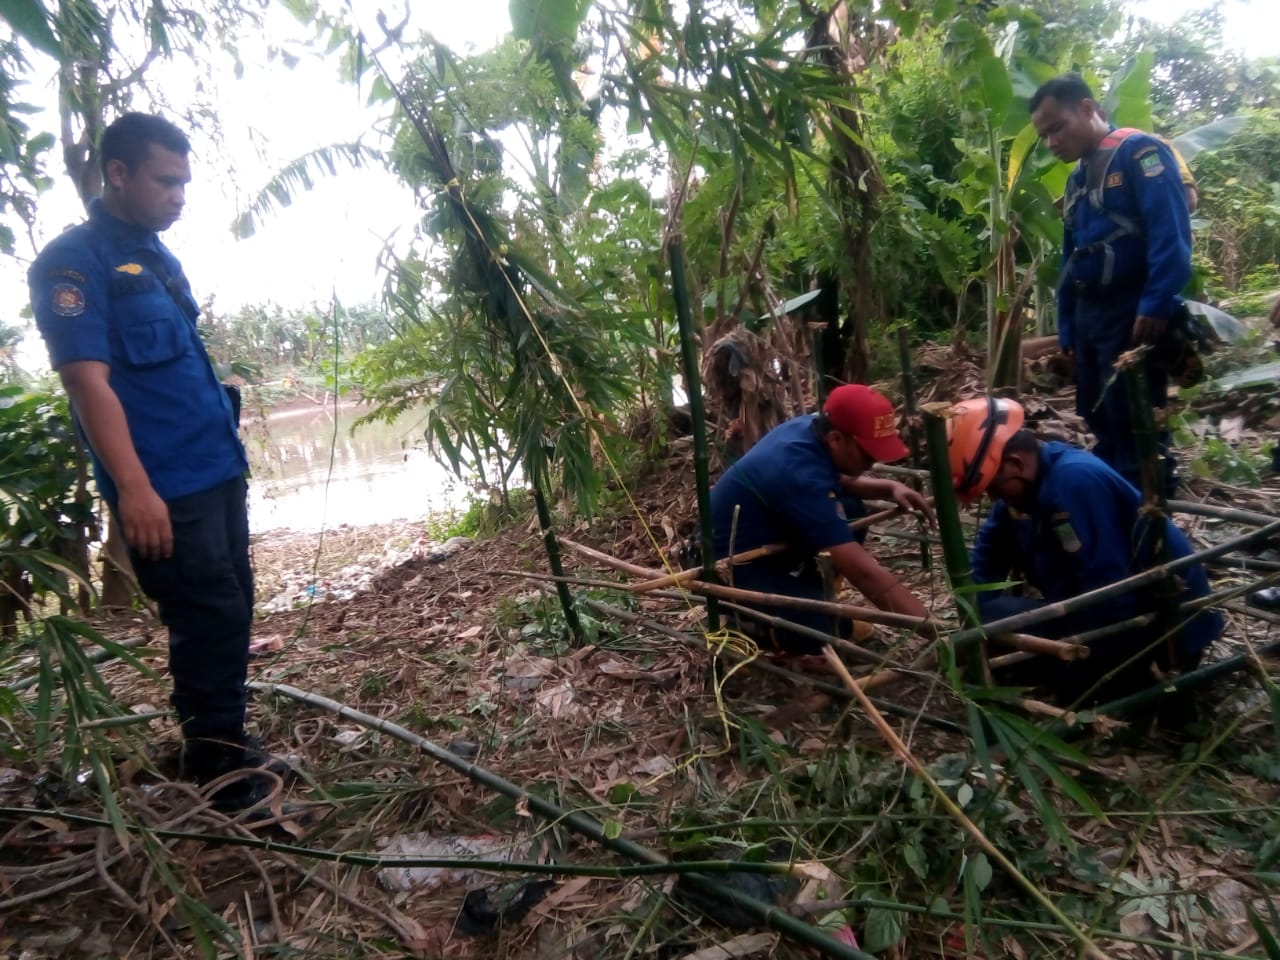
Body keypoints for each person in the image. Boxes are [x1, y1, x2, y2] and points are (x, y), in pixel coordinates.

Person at [28, 113, 276, 811]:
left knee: (233, 604)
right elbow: (86, 380)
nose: (179, 196)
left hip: (214, 465)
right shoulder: (73, 264)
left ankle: (222, 739)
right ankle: (219, 768)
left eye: (184, 183)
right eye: (166, 181)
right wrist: (133, 489)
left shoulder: (157, 257)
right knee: (208, 612)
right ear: (118, 173)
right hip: (164, 484)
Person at [947, 396, 1223, 707]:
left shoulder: (1073, 482)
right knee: (990, 617)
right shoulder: (1032, 480)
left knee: (999, 619)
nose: (995, 498)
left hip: (1152, 628)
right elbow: (991, 546)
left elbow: (1110, 589)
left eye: (993, 489)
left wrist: (1080, 652)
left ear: (1014, 464)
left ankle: (1126, 685)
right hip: (1102, 607)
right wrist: (973, 616)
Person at [1031, 74, 1193, 495]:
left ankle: (1152, 513)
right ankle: (1118, 502)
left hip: (1132, 311)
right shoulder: (1076, 181)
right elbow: (1071, 259)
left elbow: (1170, 232)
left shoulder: (1139, 154)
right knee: (1097, 410)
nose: (1051, 142)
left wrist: (1156, 302)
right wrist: (1067, 328)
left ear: (1087, 109)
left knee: (1135, 415)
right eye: (1044, 135)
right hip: (1091, 316)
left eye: (1057, 127)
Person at [709, 383, 937, 656]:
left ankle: (811, 594)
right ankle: (742, 617)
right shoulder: (795, 471)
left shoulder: (813, 429)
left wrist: (887, 487)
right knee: (822, 630)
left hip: (771, 535)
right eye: (868, 453)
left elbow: (833, 477)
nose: (873, 461)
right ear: (837, 439)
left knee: (851, 508)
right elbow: (862, 571)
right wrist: (936, 632)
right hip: (733, 563)